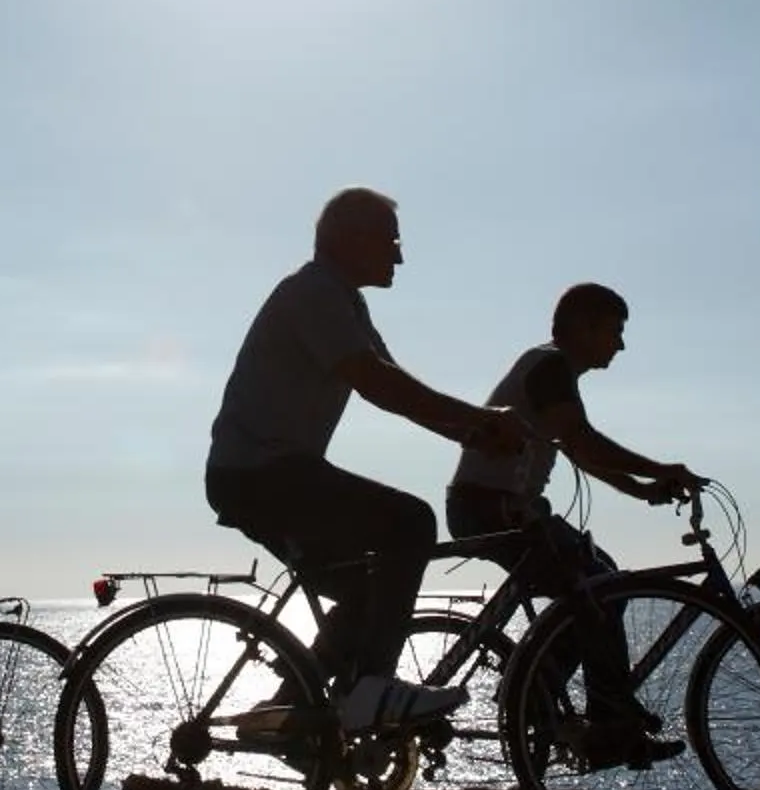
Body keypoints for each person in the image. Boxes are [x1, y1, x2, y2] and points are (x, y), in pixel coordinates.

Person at [205, 187, 527, 734]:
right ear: (352, 239)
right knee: (410, 521)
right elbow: (382, 386)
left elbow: (396, 386)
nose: (399, 256)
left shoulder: (344, 300)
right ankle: (372, 686)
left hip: (271, 473)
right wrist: (479, 423)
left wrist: (477, 432)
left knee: (367, 585)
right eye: (392, 241)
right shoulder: (314, 294)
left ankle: (287, 712)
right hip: (260, 474)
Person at [444, 281, 697, 767]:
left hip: (505, 506)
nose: (620, 345)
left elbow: (580, 451)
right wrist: (661, 469)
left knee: (603, 580)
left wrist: (643, 490)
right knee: (601, 587)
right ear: (583, 326)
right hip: (491, 506)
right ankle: (601, 720)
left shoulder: (551, 368)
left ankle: (542, 695)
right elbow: (582, 442)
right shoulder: (551, 366)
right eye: (615, 332)